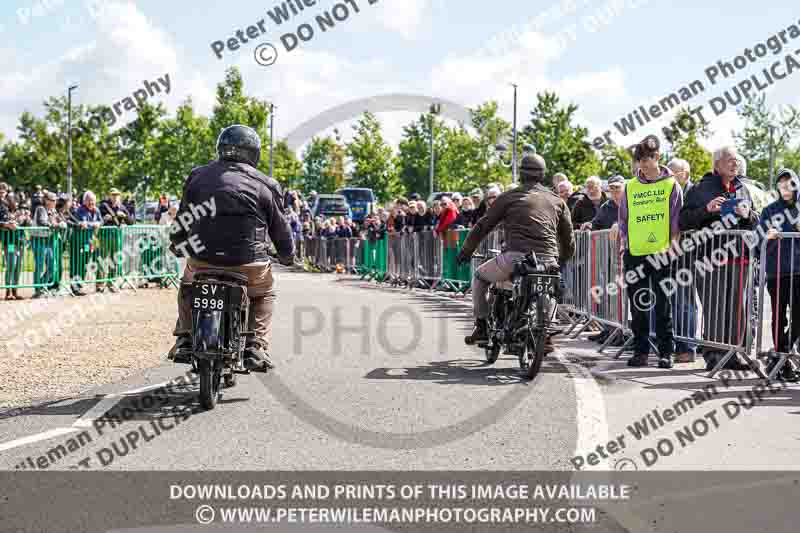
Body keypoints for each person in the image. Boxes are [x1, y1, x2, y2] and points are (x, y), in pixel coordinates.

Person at [168, 124, 295, 372]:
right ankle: (255, 345)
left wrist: (177, 244)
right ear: (254, 153)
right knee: (265, 292)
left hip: (203, 260)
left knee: (188, 284)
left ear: (221, 149)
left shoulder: (198, 176)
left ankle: (184, 338)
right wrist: (287, 256)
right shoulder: (266, 184)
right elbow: (281, 230)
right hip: (249, 263)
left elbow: (183, 217)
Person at [456, 154, 576, 348]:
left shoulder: (509, 197)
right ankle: (546, 331)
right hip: (548, 259)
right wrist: (562, 260)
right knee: (551, 287)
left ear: (521, 174)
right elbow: (568, 238)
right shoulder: (557, 201)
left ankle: (482, 327)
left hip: (515, 258)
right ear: (543, 175)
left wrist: (466, 251)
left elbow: (483, 226)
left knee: (479, 277)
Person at [679, 146, 759, 371]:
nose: (734, 163)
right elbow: (684, 221)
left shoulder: (743, 189)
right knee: (715, 308)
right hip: (710, 258)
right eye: (729, 160)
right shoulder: (700, 189)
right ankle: (713, 354)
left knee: (735, 309)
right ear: (717, 164)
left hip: (739, 257)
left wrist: (748, 215)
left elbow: (756, 221)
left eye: (736, 160)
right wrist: (707, 209)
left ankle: (733, 355)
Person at [618, 135, 682, 368]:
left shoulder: (671, 185)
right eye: (639, 160)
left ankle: (666, 352)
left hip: (662, 253)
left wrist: (673, 247)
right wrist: (624, 245)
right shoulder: (630, 186)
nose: (642, 164)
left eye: (647, 159)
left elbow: (676, 221)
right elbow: (623, 220)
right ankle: (641, 351)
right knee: (638, 305)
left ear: (657, 158)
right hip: (635, 253)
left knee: (663, 305)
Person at [758, 169, 800, 365]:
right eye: (781, 185)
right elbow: (757, 241)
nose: (785, 188)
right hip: (777, 273)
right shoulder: (769, 210)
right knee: (779, 317)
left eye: (789, 183)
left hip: (799, 272)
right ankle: (782, 361)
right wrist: (768, 236)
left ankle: (781, 354)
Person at [31, 192, 66, 298]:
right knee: (40, 265)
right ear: (46, 200)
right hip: (38, 240)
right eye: (52, 200)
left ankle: (41, 285)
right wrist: (54, 225)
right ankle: (38, 289)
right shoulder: (41, 209)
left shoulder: (54, 211)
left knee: (52, 266)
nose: (55, 202)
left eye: (55, 200)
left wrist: (62, 222)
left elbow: (60, 221)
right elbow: (42, 221)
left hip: (49, 240)